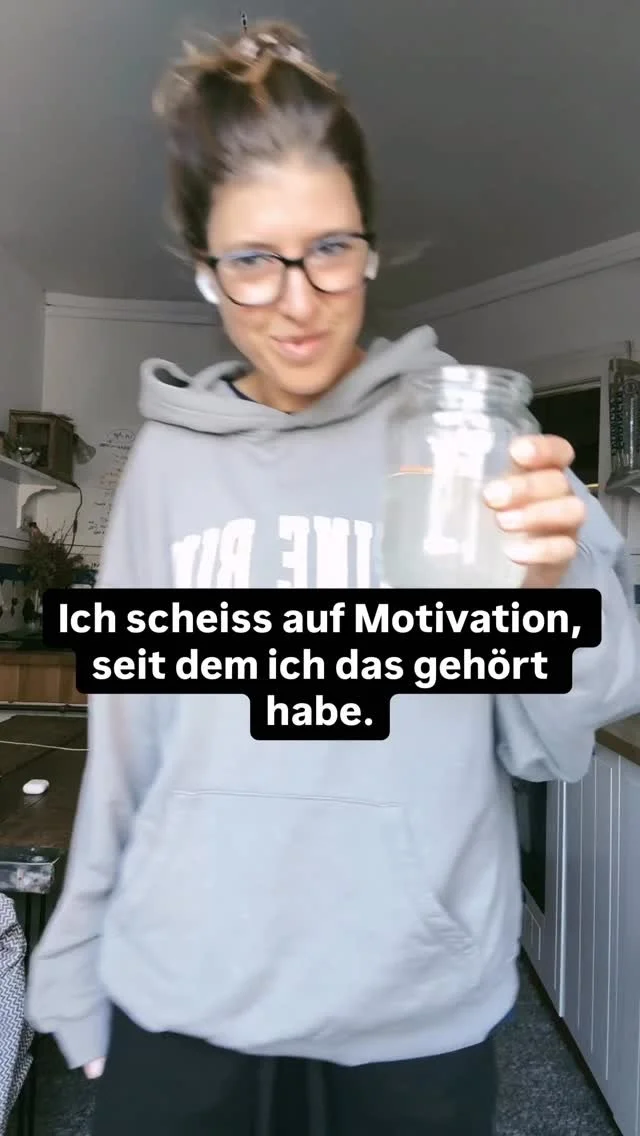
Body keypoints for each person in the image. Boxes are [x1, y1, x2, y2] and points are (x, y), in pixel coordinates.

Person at [26, 19, 640, 1136]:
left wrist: (555, 595)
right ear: (204, 268)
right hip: (186, 977)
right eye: (252, 260)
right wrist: (74, 955)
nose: (299, 300)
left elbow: (549, 745)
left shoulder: (473, 440)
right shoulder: (169, 463)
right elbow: (127, 742)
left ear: (369, 245)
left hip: (410, 990)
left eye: (328, 249)